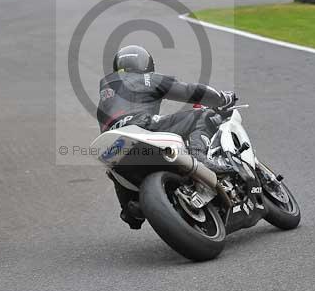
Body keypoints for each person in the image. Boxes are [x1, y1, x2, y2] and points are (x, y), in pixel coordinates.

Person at [97, 45, 237, 228]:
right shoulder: (148, 79)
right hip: (142, 125)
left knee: (115, 167)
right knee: (200, 115)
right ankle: (201, 156)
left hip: (113, 138)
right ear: (146, 64)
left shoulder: (106, 90)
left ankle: (130, 209)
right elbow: (189, 91)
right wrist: (221, 98)